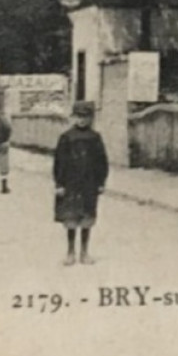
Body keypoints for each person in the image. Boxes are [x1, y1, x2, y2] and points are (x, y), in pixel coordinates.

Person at [52, 102, 109, 266]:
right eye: (79, 116)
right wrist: (59, 184)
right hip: (70, 183)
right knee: (70, 217)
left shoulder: (95, 138)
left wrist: (101, 182)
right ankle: (70, 252)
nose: (82, 120)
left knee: (86, 217)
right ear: (73, 117)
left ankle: (84, 252)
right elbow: (59, 162)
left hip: (89, 184)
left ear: (90, 118)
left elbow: (101, 162)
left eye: (85, 117)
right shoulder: (66, 138)